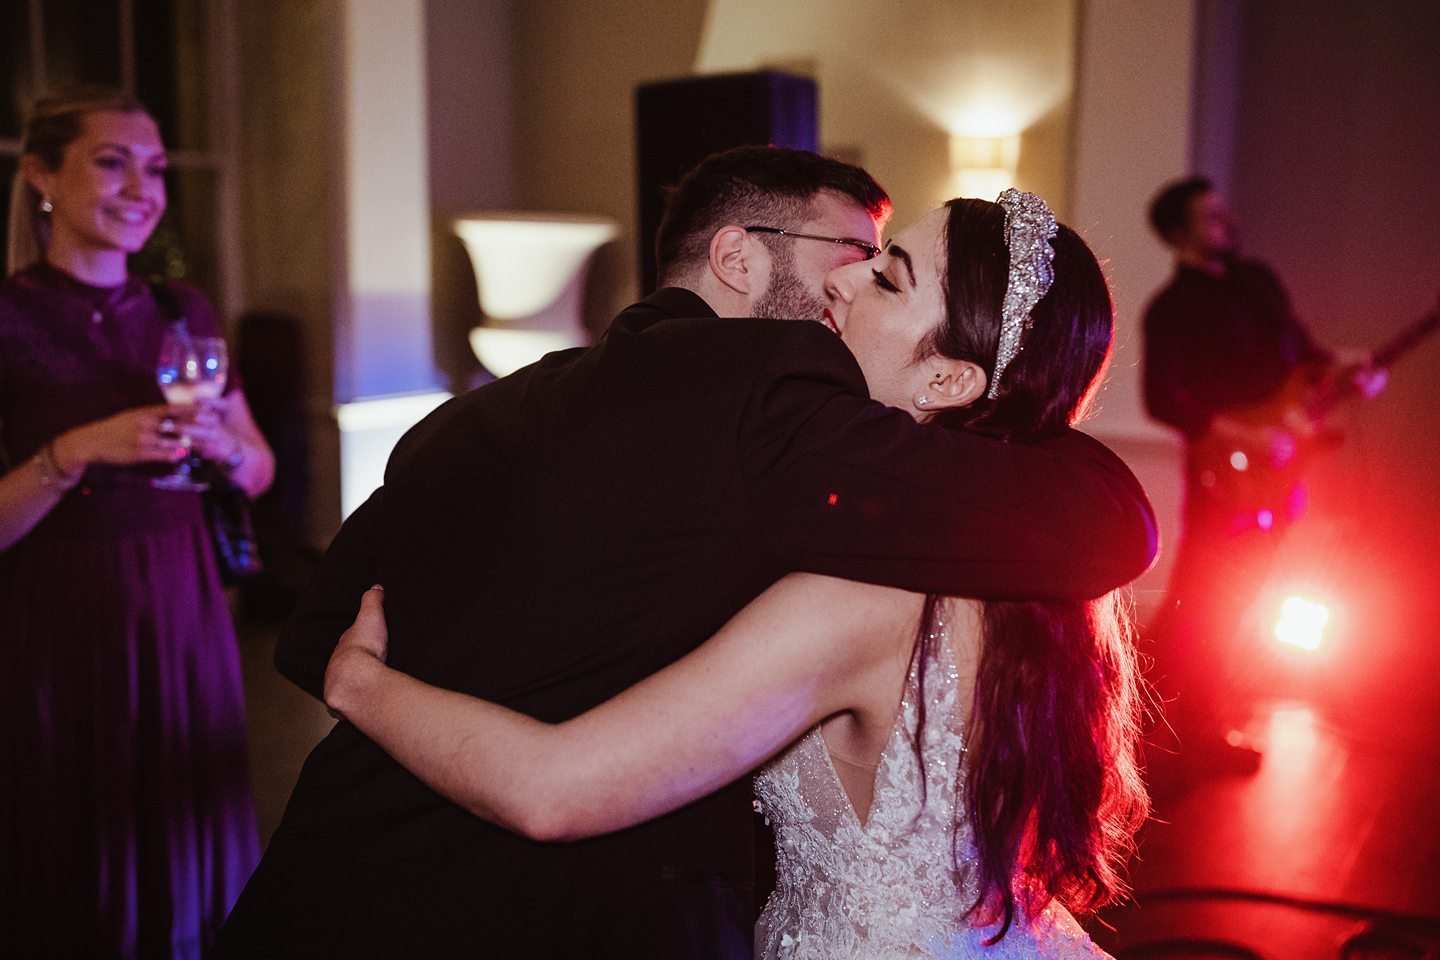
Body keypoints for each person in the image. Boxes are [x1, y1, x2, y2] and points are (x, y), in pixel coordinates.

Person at [216, 148, 1157, 959]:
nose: (844, 282)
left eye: (884, 272)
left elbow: (316, 635)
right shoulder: (799, 431)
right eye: (857, 258)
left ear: (953, 374)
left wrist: (364, 686)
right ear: (734, 257)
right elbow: (1112, 522)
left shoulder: (484, 416)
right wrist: (1026, 409)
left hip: (344, 883)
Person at [0, 87, 275, 959]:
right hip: (59, 615)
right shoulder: (5, 320)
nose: (142, 188)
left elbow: (258, 470)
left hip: (182, 601)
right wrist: (77, 448)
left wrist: (221, 446)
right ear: (42, 175)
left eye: (152, 167)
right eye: (111, 161)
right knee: (72, 827)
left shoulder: (180, 309)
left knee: (186, 814)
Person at [1141, 177, 1382, 768]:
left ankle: (1188, 720)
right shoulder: (1172, 307)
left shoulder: (1259, 283)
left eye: (1224, 211)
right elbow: (1161, 398)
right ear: (1179, 234)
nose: (1226, 222)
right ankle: (1166, 722)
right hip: (1223, 473)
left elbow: (1302, 356)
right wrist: (1239, 433)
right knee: (1206, 598)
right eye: (1209, 217)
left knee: (1241, 597)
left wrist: (1345, 370)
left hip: (1279, 470)